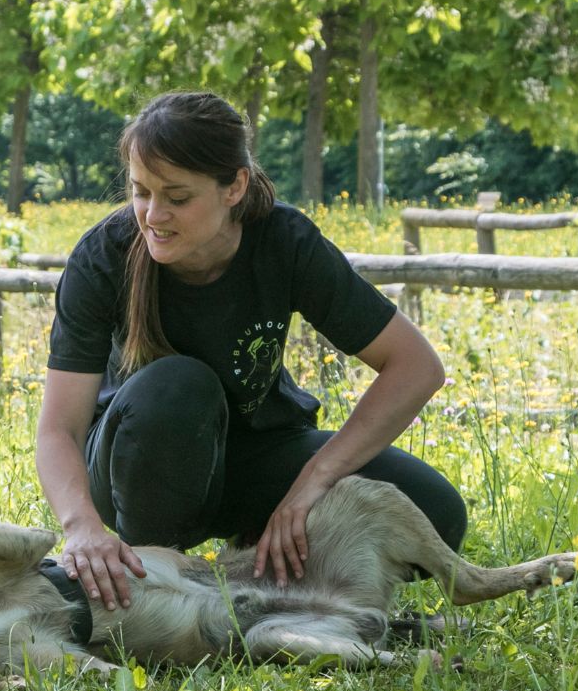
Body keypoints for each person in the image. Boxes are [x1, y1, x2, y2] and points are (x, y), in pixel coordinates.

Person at [36, 90, 466, 612]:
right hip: (138, 462)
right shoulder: (104, 256)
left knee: (436, 514)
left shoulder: (284, 242)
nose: (153, 214)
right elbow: (60, 429)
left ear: (234, 186)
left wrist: (312, 484)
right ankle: (157, 582)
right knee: (179, 385)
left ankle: (252, 570)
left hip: (256, 457)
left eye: (177, 196)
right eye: (141, 191)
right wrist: (81, 529)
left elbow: (416, 367)